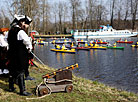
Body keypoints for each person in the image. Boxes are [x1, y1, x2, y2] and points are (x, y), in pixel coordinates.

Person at [7, 14, 33, 96]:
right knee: (21, 71)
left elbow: (8, 41)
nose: (25, 24)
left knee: (12, 71)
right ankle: (23, 90)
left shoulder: (10, 31)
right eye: (24, 22)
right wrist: (29, 48)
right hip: (19, 54)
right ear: (21, 22)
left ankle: (11, 87)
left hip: (11, 53)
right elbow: (27, 41)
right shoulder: (20, 31)